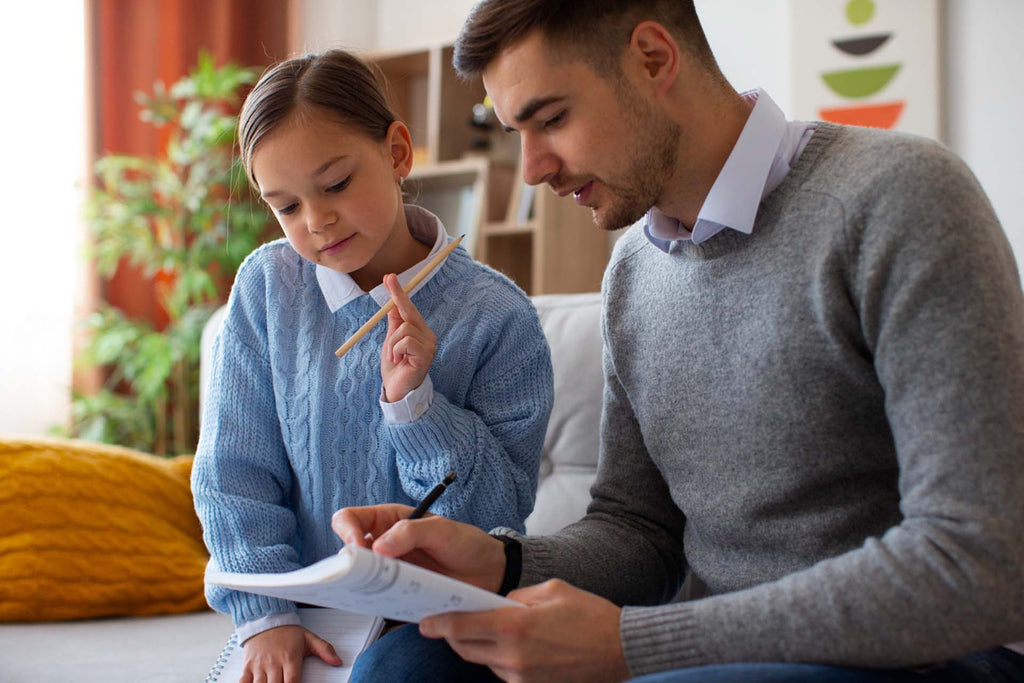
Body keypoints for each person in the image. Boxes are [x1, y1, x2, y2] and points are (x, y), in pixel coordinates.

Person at [332, 1, 1024, 681]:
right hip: (706, 649)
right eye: (515, 130)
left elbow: (976, 561)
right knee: (406, 664)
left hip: (928, 654)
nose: (534, 168)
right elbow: (640, 529)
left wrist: (638, 644)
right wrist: (500, 561)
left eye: (550, 119)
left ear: (653, 58)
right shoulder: (637, 268)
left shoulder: (900, 198)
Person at [191, 49, 554, 681]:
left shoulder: (499, 315)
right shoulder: (266, 288)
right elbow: (232, 475)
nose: (317, 220)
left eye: (334, 185)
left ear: (397, 152)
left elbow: (499, 521)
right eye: (286, 206)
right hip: (301, 613)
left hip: (433, 626)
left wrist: (415, 406)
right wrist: (267, 615)